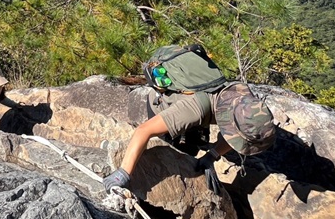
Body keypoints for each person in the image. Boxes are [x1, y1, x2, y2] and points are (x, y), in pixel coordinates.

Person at [102, 44, 277, 195]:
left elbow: (233, 134)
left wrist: (211, 156)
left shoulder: (242, 98)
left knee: (192, 151)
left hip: (199, 107)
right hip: (166, 105)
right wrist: (123, 174)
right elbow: (143, 131)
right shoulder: (194, 110)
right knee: (170, 151)